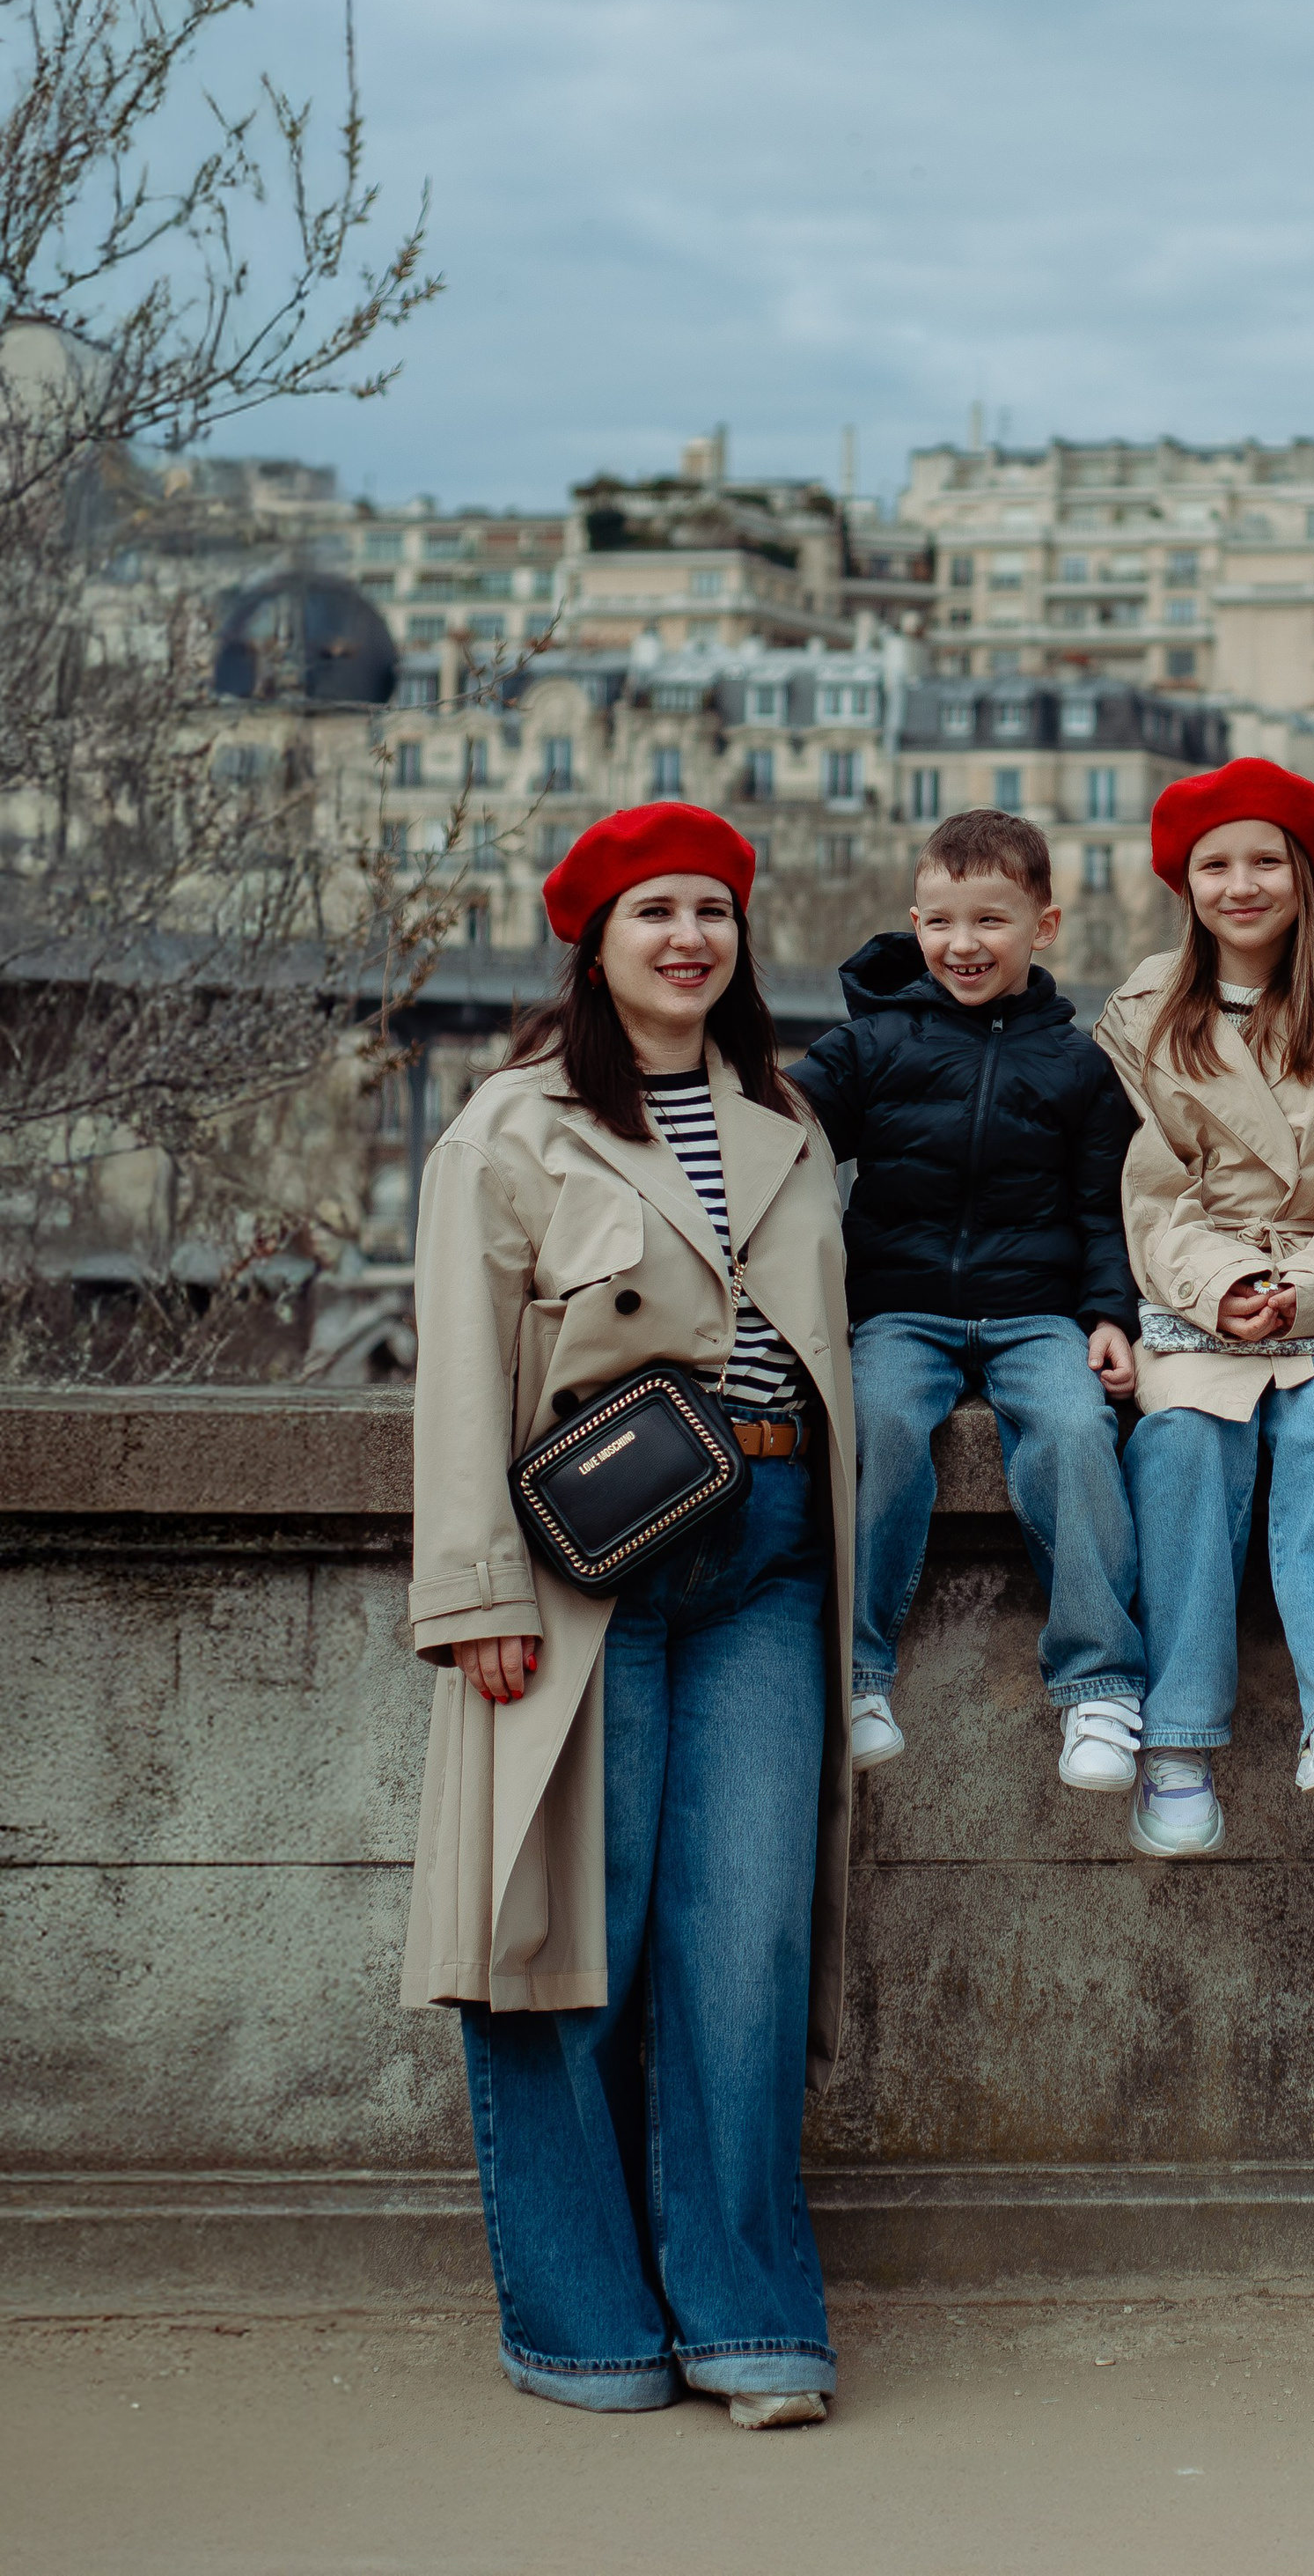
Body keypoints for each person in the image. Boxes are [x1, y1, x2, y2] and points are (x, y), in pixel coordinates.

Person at [399, 804, 855, 2432]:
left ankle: (749, 2319)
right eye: (654, 910)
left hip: (773, 1549)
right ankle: (587, 2330)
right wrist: (475, 1594)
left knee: (748, 1945)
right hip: (586, 1561)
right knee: (564, 1936)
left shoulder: (785, 1117)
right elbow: (462, 1367)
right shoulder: (510, 1126)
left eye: (713, 910)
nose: (688, 936)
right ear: (593, 945)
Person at [1094, 758, 1314, 1856]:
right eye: (1215, 865)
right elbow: (1148, 1188)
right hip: (1195, 1300)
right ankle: (1178, 1741)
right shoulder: (1136, 1018)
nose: (1240, 886)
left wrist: (1305, 1291)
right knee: (1180, 1447)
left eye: (1264, 862)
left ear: (1305, 876)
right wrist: (1224, 1286)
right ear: (1184, 884)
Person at [789, 808, 1147, 1793]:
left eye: (991, 919)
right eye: (942, 921)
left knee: (1076, 1432)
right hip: (899, 1307)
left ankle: (1100, 1684)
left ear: (1045, 925)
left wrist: (1109, 1315)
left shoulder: (1080, 1066)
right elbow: (774, 1131)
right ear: (915, 924)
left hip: (1039, 1312)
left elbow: (1104, 1209)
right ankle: (859, 1673)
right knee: (880, 1425)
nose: (963, 943)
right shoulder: (872, 1044)